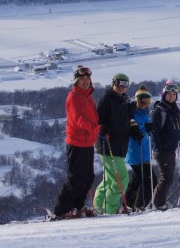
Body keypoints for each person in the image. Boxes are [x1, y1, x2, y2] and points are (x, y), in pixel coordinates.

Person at [52, 65, 100, 220]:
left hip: (87, 142)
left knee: (88, 177)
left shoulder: (87, 96)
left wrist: (97, 128)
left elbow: (93, 117)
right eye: (82, 79)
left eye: (87, 79)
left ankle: (78, 206)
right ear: (76, 81)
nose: (86, 82)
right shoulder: (73, 97)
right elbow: (79, 120)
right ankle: (61, 210)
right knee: (76, 177)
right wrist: (95, 128)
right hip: (77, 142)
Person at [93, 73, 142, 214]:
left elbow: (129, 119)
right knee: (121, 179)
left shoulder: (125, 100)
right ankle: (110, 209)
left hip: (120, 145)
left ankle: (98, 205)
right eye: (120, 83)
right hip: (107, 144)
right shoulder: (107, 98)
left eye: (125, 84)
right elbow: (97, 119)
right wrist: (103, 129)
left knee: (110, 179)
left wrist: (134, 129)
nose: (122, 87)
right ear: (113, 83)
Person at [151, 80, 180, 210]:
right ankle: (158, 204)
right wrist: (160, 147)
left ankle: (158, 203)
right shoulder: (159, 111)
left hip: (171, 150)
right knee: (167, 177)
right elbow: (154, 131)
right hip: (162, 150)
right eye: (169, 94)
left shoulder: (173, 111)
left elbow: (176, 132)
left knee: (168, 177)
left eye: (173, 94)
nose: (171, 96)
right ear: (164, 94)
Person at [124, 85, 155, 211]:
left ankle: (128, 205)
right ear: (137, 101)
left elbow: (147, 132)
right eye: (142, 102)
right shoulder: (132, 114)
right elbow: (132, 130)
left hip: (145, 151)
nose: (144, 105)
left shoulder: (146, 114)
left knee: (137, 180)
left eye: (147, 102)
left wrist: (151, 130)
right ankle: (140, 205)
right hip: (136, 152)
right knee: (149, 180)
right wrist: (145, 128)